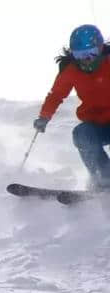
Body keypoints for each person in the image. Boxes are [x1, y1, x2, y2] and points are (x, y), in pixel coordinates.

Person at [34, 24, 110, 190]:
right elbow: (56, 95)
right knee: (81, 134)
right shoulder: (71, 70)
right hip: (97, 124)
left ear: (100, 48)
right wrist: (44, 116)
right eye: (80, 54)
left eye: (91, 53)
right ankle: (102, 180)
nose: (86, 59)